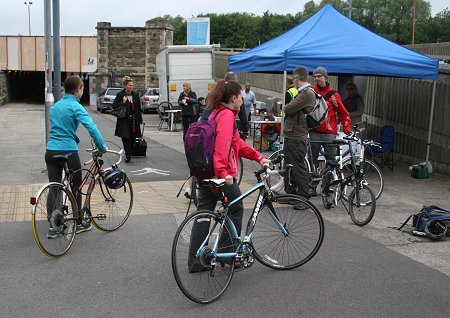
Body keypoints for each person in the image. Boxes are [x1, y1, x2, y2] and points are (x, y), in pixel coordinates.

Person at [193, 80, 270, 246]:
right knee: (236, 209)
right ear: (234, 98)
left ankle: (195, 260)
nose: (243, 101)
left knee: (204, 214)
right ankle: (225, 254)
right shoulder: (227, 116)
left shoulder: (215, 112)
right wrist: (223, 172)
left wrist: (259, 157)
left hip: (205, 171)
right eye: (241, 97)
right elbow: (222, 144)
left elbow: (237, 143)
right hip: (220, 174)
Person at [45, 75, 107, 237]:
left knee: (54, 187)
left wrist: (74, 137)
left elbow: (61, 128)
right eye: (82, 89)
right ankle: (79, 222)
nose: (82, 91)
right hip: (68, 151)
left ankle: (53, 226)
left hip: (51, 151)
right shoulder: (76, 106)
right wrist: (102, 146)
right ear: (78, 89)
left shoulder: (56, 107)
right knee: (76, 187)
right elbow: (91, 128)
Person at [311, 67, 352, 196]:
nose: (317, 78)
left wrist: (347, 129)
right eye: (315, 76)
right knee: (312, 160)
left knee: (331, 161)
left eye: (319, 76)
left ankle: (326, 186)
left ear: (325, 77)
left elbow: (343, 113)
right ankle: (311, 185)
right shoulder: (311, 92)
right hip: (314, 131)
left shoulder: (334, 95)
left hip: (329, 132)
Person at [282, 66, 315, 207]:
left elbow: (286, 108)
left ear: (297, 78)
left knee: (298, 167)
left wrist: (287, 106)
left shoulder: (307, 94)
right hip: (292, 133)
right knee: (289, 165)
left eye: (294, 78)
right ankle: (291, 194)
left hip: (297, 135)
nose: (293, 81)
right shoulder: (303, 93)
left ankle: (303, 197)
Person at [112, 76, 143, 163]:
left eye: (132, 85)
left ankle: (129, 151)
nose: (131, 87)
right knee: (125, 138)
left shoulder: (135, 95)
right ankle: (128, 156)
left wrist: (140, 120)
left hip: (133, 120)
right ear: (125, 86)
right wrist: (123, 101)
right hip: (124, 120)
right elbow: (114, 106)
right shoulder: (120, 95)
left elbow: (138, 108)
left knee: (133, 138)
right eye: (129, 85)